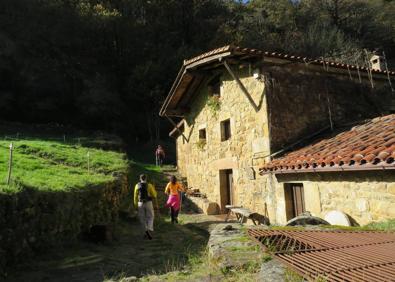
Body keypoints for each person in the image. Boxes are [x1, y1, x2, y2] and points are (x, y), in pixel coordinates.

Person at [134, 174, 158, 239]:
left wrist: (136, 205)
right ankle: (149, 228)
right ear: (146, 178)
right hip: (148, 202)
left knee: (142, 218)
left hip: (140, 203)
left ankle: (145, 231)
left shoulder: (137, 186)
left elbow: (135, 197)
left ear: (140, 179)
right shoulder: (149, 185)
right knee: (150, 216)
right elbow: (154, 195)